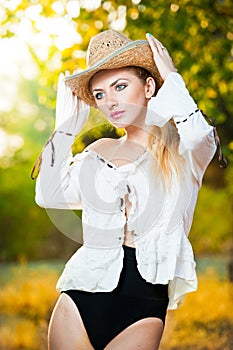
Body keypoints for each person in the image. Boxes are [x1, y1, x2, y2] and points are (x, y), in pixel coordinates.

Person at [33, 29, 219, 350]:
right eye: (100, 94)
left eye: (120, 86)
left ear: (148, 87)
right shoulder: (98, 152)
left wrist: (173, 80)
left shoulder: (182, 151)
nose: (111, 101)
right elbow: (47, 195)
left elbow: (202, 138)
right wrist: (65, 130)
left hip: (143, 306)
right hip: (81, 295)